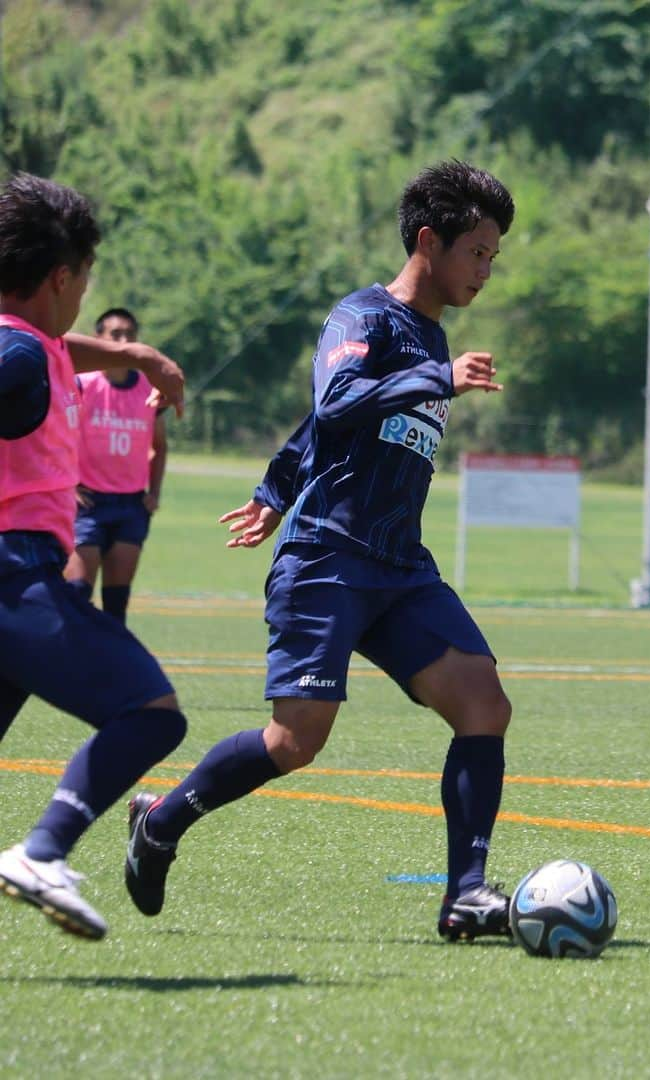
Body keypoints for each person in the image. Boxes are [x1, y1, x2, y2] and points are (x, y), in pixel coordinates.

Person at [123, 160, 517, 941]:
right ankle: (161, 821)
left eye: (493, 257)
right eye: (476, 251)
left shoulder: (431, 335)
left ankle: (464, 896)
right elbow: (334, 402)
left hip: (399, 565)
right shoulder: (362, 318)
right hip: (329, 558)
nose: (484, 269)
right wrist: (435, 377)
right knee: (296, 740)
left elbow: (325, 431)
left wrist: (274, 486)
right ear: (429, 241)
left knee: (484, 702)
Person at [0, 172, 187, 940]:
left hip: (24, 580)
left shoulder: (29, 343)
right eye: (84, 281)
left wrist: (136, 354)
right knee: (149, 713)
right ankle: (41, 850)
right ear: (61, 277)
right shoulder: (19, 359)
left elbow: (40, 338)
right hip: (16, 580)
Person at [63, 307, 168, 624]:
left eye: (129, 335)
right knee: (76, 596)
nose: (124, 341)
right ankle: (68, 670)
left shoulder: (149, 390)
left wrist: (154, 493)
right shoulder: (82, 385)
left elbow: (159, 446)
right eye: (115, 334)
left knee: (115, 608)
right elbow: (56, 437)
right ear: (99, 340)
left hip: (130, 506)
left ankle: (106, 673)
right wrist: (68, 484)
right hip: (88, 504)